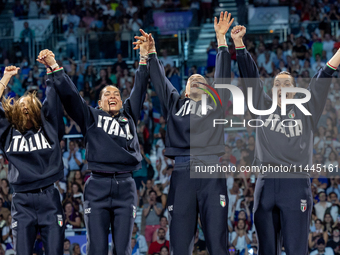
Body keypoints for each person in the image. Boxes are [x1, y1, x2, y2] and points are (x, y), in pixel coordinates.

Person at [231, 24, 340, 255]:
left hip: (295, 184)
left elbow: (323, 77)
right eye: (277, 83)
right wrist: (239, 44)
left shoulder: (307, 109)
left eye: (287, 83)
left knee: (295, 250)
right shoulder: (261, 106)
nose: (281, 86)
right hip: (265, 183)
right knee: (266, 251)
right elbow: (250, 77)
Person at [37, 34, 149, 254]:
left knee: (123, 248)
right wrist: (55, 67)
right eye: (107, 94)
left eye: (117, 93)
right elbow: (71, 96)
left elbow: (139, 89)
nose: (113, 96)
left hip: (126, 186)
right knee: (97, 248)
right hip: (96, 185)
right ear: (99, 102)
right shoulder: (91, 116)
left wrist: (144, 57)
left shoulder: (129, 115)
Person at [135, 11, 233, 254]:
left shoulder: (216, 101)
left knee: (217, 240)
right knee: (179, 241)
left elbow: (222, 76)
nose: (197, 80)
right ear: (186, 90)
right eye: (192, 80)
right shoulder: (177, 103)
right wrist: (152, 53)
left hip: (211, 171)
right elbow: (159, 81)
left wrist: (222, 40)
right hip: (182, 172)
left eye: (202, 79)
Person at [0, 65, 65, 254]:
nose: (25, 107)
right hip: (22, 201)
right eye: (22, 105)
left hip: (49, 199)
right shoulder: (7, 132)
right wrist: (5, 78)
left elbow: (53, 98)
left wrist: (51, 68)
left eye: (30, 104)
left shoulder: (48, 128)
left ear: (37, 110)